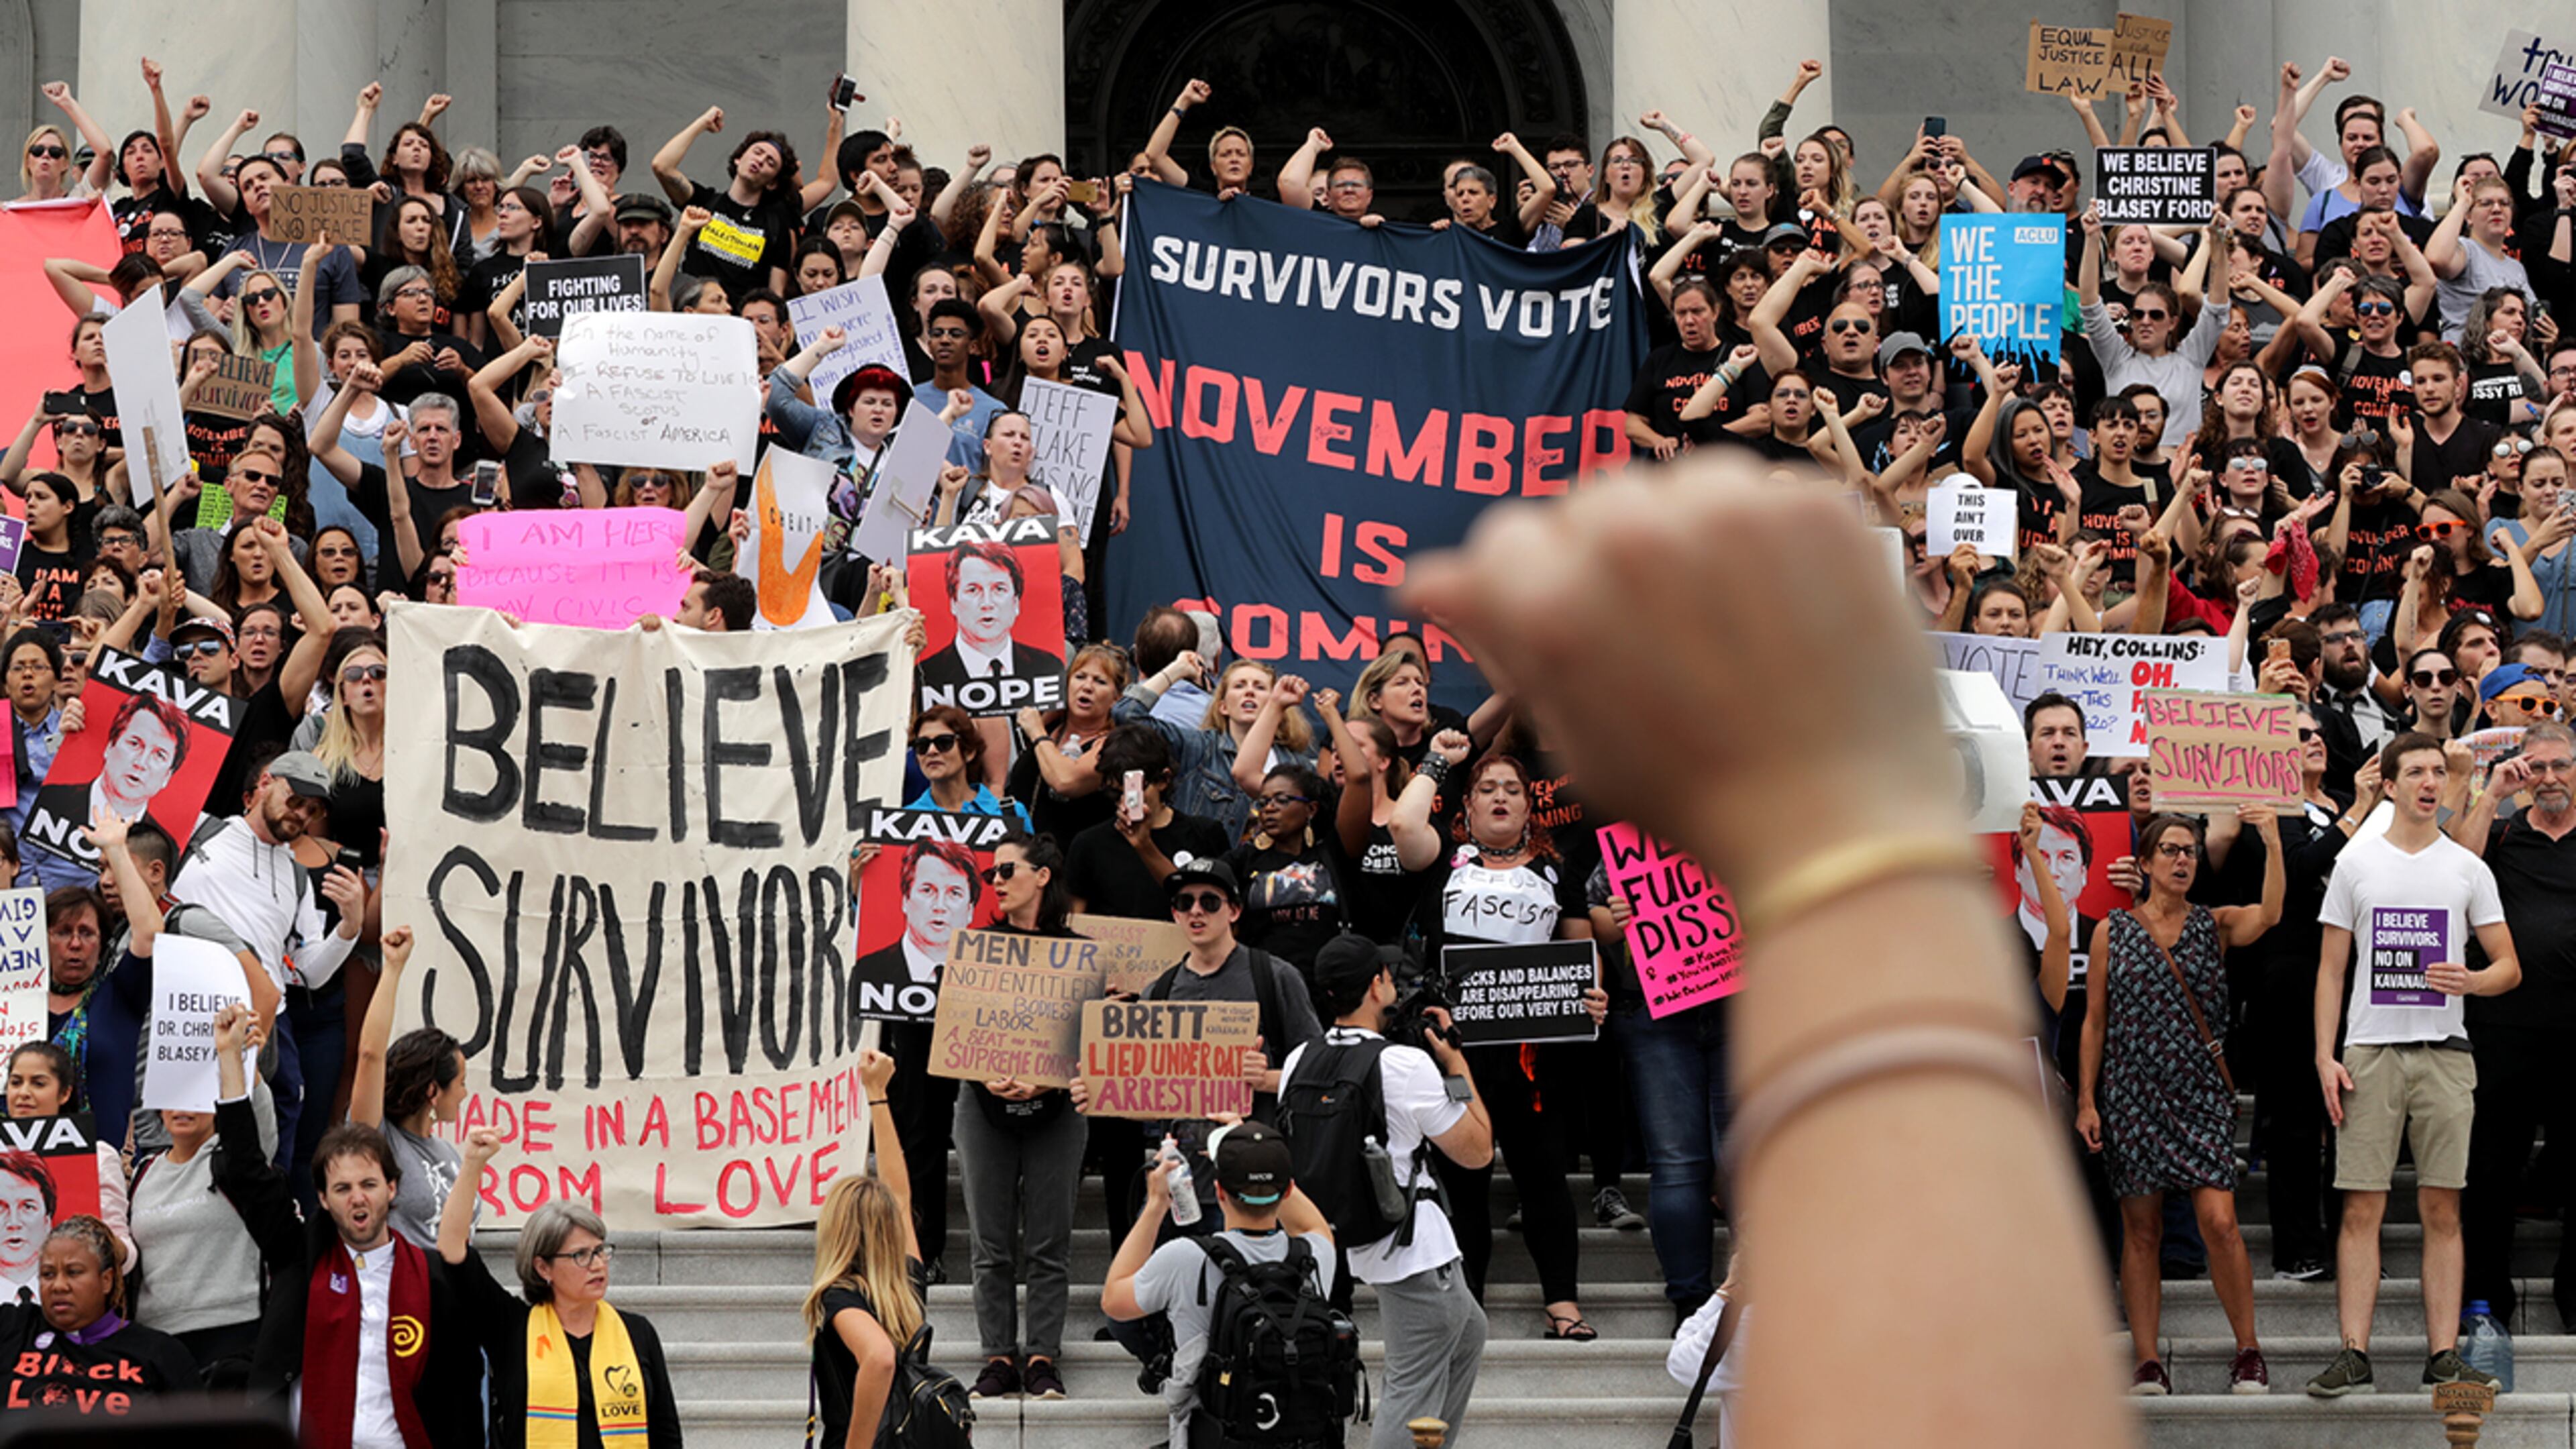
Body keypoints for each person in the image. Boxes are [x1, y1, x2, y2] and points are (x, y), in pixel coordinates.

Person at [2307, 733, 2522, 1396]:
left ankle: (2442, 1353)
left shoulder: (2467, 868)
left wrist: (2472, 982)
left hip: (2446, 1056)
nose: (2430, 782)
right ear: (2391, 785)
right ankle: (2353, 1353)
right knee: (2361, 1209)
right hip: (2370, 1053)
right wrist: (2324, 1054)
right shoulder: (2356, 863)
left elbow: (2509, 967)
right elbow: (2331, 970)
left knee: (2443, 1208)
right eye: (2417, 772)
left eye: (2439, 771)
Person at [2076, 807, 2284, 1395]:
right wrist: (2088, 1100)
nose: (2182, 859)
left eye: (2189, 850)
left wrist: (2269, 838)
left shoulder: (2212, 924)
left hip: (2200, 1091)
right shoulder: (2111, 930)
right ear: (2144, 863)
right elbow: (2095, 1022)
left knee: (2220, 1222)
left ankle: (2248, 1349)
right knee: (2141, 1230)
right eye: (2168, 850)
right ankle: (2146, 1360)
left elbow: (2270, 914)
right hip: (2132, 1092)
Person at [1409, 752, 1609, 1338]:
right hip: (1455, 1054)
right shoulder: (1442, 864)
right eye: (1488, 790)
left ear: (1529, 805)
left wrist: (1591, 995)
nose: (1500, 797)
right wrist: (1439, 763)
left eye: (1513, 790)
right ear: (1467, 806)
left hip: (1531, 1057)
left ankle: (1563, 1306)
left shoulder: (1558, 872)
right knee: (1465, 1180)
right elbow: (1400, 826)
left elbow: (1581, 957)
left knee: (1543, 1173)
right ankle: (1469, 1309)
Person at [1281, 934, 1494, 1449]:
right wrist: (1457, 1066)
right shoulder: (1405, 1065)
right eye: (1387, 975)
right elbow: (1477, 1149)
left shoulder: (1297, 1059)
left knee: (1468, 1332)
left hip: (1349, 1234)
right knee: (1409, 1390)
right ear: (1377, 984)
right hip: (1412, 1248)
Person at [2445, 721, 2576, 1327]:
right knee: (2490, 1169)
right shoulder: (2499, 834)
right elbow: (2450, 870)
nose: (2550, 778)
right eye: (2537, 767)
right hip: (2503, 1030)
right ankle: (2486, 1297)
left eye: (2561, 766)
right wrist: (2490, 793)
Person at [1101, 1120, 1341, 1449]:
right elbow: (1313, 1222)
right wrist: (1255, 1147)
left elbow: (1114, 1300)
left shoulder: (1186, 1258)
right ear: (1286, 1191)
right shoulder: (1315, 1256)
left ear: (1218, 1191)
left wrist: (1156, 1203)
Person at [248, 1118, 487, 1446]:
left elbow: (461, 1390)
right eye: (343, 1189)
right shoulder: (302, 1264)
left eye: (369, 1185)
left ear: (392, 1189)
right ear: (323, 1199)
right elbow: (247, 1174)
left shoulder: (432, 1278)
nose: (357, 1198)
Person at [950, 831, 1084, 1403]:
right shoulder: (975, 947)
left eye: (1007, 870)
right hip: (982, 1106)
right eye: (991, 876)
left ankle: (1042, 1356)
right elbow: (954, 1031)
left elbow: (1091, 1041)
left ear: (1043, 876)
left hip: (1058, 1111)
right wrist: (985, 1071)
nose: (997, 881)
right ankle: (998, 1356)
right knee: (991, 1241)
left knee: (1049, 1240)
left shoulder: (1078, 952)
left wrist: (1049, 1075)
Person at [436, 1138, 683, 1449]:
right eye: (581, 1255)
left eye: (600, 1251)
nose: (597, 1265)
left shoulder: (638, 1332)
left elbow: (666, 1435)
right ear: (544, 1268)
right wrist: (473, 1164)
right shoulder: (512, 1328)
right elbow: (451, 1249)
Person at [124, 1004, 297, 1386]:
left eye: (199, 1095)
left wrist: (242, 1057)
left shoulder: (236, 1158)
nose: (184, 1106)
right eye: (175, 1093)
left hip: (234, 1336)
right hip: (156, 1343)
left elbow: (254, 1125)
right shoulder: (142, 1174)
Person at [804, 1049, 925, 1449]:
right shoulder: (905, 1285)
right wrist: (877, 1094)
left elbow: (880, 1356)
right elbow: (900, 1196)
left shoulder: (841, 1297)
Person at [347, 927, 470, 1250]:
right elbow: (371, 1055)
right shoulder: (378, 1141)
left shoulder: (449, 1154)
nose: (465, 1095)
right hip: (403, 1292)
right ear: (433, 1091)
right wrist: (393, 968)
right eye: (461, 1084)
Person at [0, 1214, 199, 1408]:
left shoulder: (160, 1353)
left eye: (74, 1272)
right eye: (48, 1274)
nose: (58, 1286)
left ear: (106, 1280)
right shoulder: (13, 1328)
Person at [3, 1040, 137, 1289]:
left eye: (39, 1083)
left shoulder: (97, 1155)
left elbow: (126, 1253)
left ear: (64, 1093)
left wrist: (104, 1243)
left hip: (72, 1307)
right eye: (16, 1082)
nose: (23, 1092)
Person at [916, 538, 1065, 712]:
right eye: (973, 590)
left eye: (999, 589)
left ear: (1016, 602)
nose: (987, 603)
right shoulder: (926, 675)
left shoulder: (1048, 666)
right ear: (953, 603)